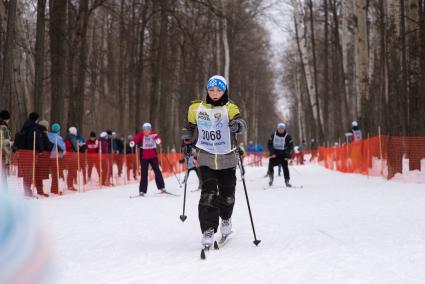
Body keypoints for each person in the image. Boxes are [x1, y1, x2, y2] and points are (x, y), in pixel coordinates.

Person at [181, 75, 247, 247]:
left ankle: (225, 218)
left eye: (219, 90)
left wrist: (237, 126)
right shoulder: (196, 108)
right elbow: (188, 127)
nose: (215, 93)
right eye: (212, 90)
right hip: (206, 156)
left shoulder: (230, 107)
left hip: (227, 158)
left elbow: (241, 122)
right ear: (207, 91)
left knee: (227, 196)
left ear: (224, 91)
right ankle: (208, 229)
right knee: (208, 193)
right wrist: (187, 141)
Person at [130, 123, 165, 196]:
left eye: (148, 129)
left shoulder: (153, 134)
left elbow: (157, 137)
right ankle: (142, 190)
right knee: (144, 173)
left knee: (157, 171)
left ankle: (161, 187)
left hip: (153, 156)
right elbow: (136, 138)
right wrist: (133, 142)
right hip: (144, 157)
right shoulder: (141, 134)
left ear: (150, 129)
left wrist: (158, 140)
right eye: (145, 129)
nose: (146, 131)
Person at [267, 123, 294, 187]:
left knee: (285, 167)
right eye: (280, 128)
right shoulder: (273, 135)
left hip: (283, 154)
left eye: (282, 129)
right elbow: (269, 144)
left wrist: (288, 155)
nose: (281, 130)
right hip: (275, 154)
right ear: (277, 129)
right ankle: (271, 178)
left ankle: (287, 181)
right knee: (270, 165)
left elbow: (291, 147)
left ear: (284, 129)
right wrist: (272, 153)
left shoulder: (288, 136)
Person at [47, 123, 66, 194]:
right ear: (58, 130)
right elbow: (63, 148)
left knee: (54, 173)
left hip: (49, 156)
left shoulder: (48, 136)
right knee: (56, 174)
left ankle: (54, 189)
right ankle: (55, 190)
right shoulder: (58, 138)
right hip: (57, 157)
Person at [0, 110, 12, 190]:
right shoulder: (4, 127)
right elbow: (6, 143)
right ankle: (4, 194)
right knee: (2, 175)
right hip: (2, 154)